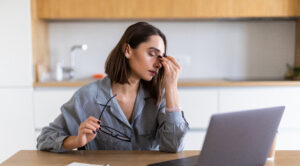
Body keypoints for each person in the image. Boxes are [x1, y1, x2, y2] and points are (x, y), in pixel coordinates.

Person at [37, 22, 189, 153]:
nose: (158, 63)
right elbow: (44, 139)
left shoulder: (159, 96)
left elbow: (174, 146)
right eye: (151, 54)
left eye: (161, 57)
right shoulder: (88, 97)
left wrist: (171, 87)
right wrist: (76, 141)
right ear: (128, 50)